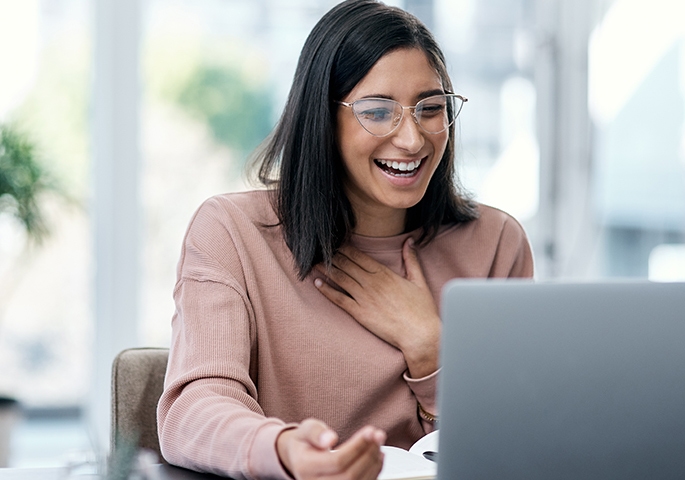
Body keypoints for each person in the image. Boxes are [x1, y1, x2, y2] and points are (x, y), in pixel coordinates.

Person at [157, 0, 534, 479]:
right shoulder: (233, 232)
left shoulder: (496, 243)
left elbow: (517, 437)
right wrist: (283, 449)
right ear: (322, 118)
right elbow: (192, 408)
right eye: (377, 112)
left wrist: (433, 350)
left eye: (431, 109)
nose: (412, 140)